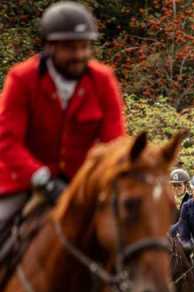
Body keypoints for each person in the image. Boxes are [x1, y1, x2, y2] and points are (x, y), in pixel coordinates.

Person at [0, 1, 126, 235]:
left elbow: (115, 144)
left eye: (85, 47)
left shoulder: (103, 80)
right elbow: (7, 141)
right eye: (70, 47)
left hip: (82, 185)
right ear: (50, 46)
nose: (79, 55)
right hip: (24, 183)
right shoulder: (21, 79)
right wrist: (42, 179)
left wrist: (93, 180)